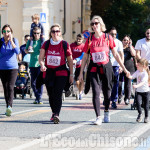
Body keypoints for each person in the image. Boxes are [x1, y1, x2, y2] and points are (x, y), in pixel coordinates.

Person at [78, 15, 130, 125]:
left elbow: (115, 54)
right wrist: (81, 74)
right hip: (93, 68)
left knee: (107, 94)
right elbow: (85, 57)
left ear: (101, 25)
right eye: (92, 24)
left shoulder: (107, 37)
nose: (94, 25)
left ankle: (106, 110)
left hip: (106, 67)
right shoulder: (90, 39)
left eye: (96, 23)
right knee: (96, 92)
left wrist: (124, 68)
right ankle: (98, 116)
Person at [39, 23, 73, 124]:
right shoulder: (46, 44)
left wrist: (71, 74)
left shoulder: (64, 44)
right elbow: (41, 58)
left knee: (58, 93)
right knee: (51, 94)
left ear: (60, 32)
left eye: (57, 31)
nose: (55, 33)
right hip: (49, 72)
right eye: (53, 31)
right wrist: (42, 65)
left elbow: (70, 60)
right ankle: (54, 112)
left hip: (61, 72)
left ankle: (57, 114)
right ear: (51, 33)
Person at [0, 24, 20, 116]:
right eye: (4, 32)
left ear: (11, 32)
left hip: (13, 68)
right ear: (2, 33)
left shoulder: (15, 40)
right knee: (5, 87)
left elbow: (17, 52)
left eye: (8, 31)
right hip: (2, 67)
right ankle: (7, 106)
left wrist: (11, 41)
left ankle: (10, 107)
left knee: (10, 87)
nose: (6, 33)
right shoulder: (0, 42)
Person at [127, 58, 150, 123]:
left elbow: (142, 82)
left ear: (144, 66)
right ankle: (140, 114)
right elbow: (132, 77)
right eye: (137, 64)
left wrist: (136, 86)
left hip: (146, 92)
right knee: (138, 104)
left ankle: (146, 117)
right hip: (139, 92)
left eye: (138, 64)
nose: (136, 65)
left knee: (146, 105)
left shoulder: (145, 74)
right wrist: (129, 75)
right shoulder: (137, 72)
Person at [25, 27, 43, 104]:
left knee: (40, 82)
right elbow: (26, 51)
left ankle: (39, 98)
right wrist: (28, 50)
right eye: (35, 33)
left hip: (40, 64)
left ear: (40, 33)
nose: (36, 35)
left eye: (38, 33)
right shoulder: (30, 41)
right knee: (33, 83)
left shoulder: (42, 41)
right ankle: (37, 97)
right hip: (32, 64)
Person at [118, 35, 136, 105]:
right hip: (120, 68)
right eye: (124, 40)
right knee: (119, 84)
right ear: (122, 41)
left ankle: (127, 98)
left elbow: (134, 54)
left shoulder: (130, 48)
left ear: (129, 41)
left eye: (127, 40)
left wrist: (130, 45)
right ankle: (119, 96)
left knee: (128, 84)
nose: (125, 41)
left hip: (129, 68)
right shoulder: (119, 48)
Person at [109, 27, 124, 108]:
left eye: (115, 34)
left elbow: (121, 55)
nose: (114, 35)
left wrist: (121, 66)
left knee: (116, 83)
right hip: (107, 65)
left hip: (115, 65)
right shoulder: (105, 41)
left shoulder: (119, 43)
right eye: (112, 34)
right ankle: (107, 98)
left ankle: (114, 100)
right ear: (108, 34)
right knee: (107, 83)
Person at [70, 33, 85, 100]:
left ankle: (80, 92)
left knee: (81, 80)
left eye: (80, 39)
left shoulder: (84, 46)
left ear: (82, 40)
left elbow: (83, 55)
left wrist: (77, 59)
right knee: (77, 81)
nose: (78, 40)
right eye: (77, 39)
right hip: (73, 65)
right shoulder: (72, 45)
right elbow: (68, 53)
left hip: (81, 66)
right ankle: (79, 91)